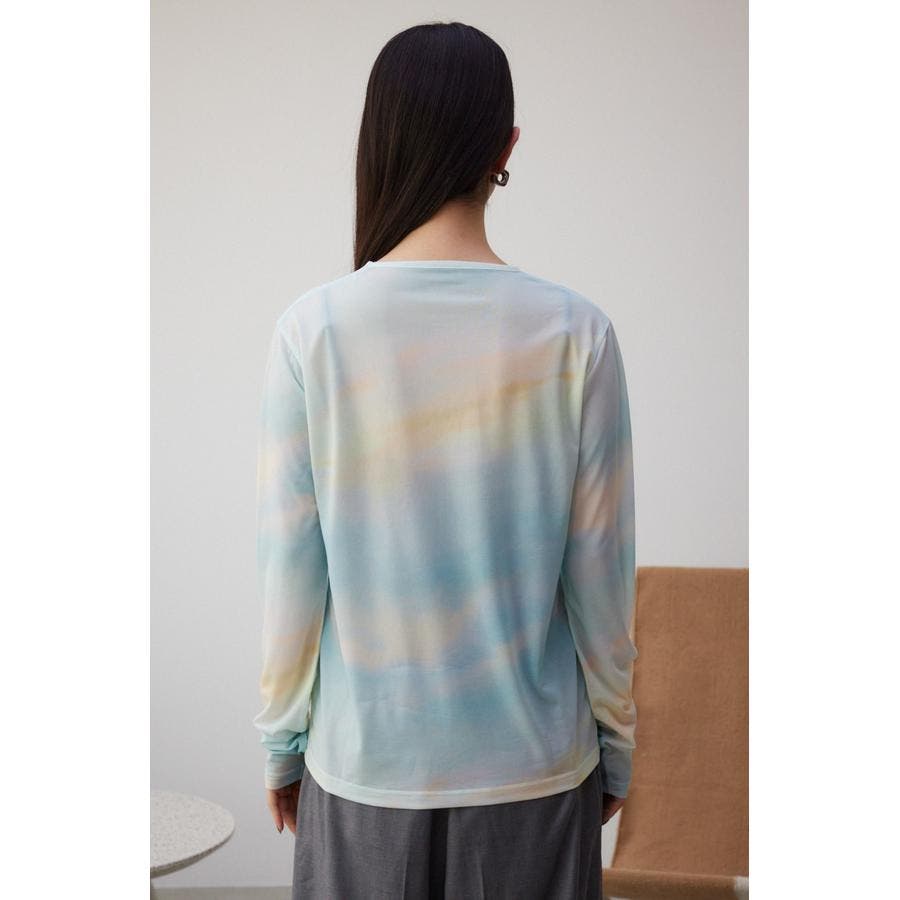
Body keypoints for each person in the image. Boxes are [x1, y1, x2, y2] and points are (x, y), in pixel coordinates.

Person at [252, 20, 638, 900]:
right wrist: (618, 744)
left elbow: (290, 576)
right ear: (506, 148)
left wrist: (282, 743)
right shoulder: (578, 334)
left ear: (378, 139)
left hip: (363, 774)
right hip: (536, 775)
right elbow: (602, 582)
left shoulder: (312, 332)